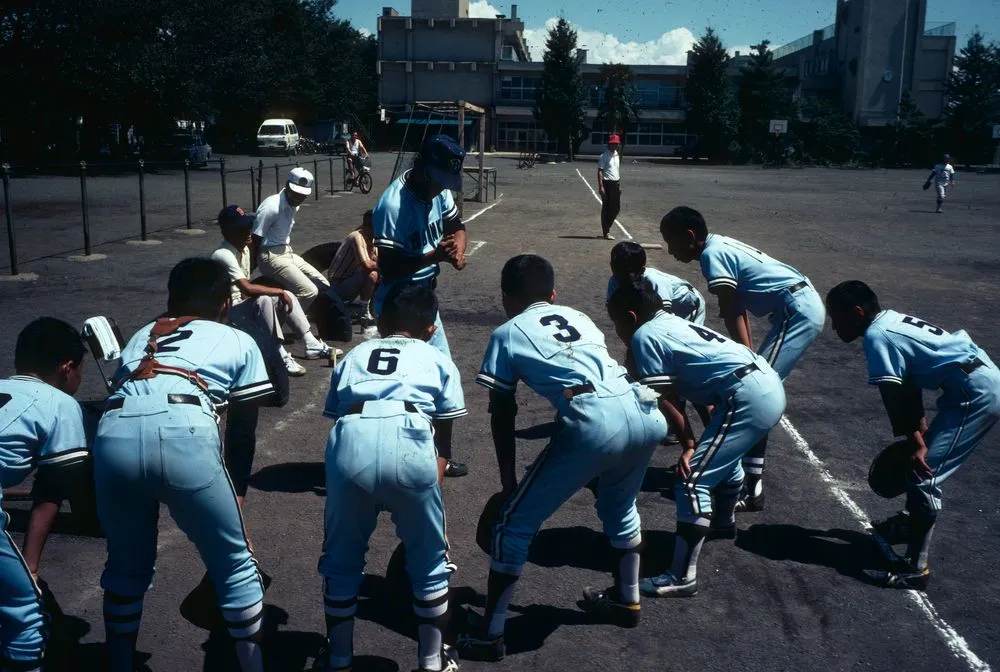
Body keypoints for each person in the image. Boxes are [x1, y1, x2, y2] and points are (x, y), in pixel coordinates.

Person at [456, 255, 667, 662]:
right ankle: (627, 599)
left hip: (595, 419)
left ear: (506, 297)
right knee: (621, 509)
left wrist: (508, 483)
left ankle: (490, 634)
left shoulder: (507, 332)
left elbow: (503, 412)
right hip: (644, 408)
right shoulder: (577, 315)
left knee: (513, 524)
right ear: (553, 295)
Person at [93, 258, 275, 672]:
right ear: (225, 304)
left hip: (114, 432)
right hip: (184, 431)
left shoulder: (142, 335)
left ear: (170, 299)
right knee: (234, 567)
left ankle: (120, 663)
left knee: (125, 566)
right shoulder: (236, 337)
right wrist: (238, 495)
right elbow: (242, 433)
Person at [316, 283, 466, 672]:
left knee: (342, 559)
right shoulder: (436, 356)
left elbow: (336, 412)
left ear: (381, 322)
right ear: (431, 328)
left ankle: (338, 659)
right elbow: (444, 435)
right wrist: (431, 493)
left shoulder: (355, 353)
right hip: (413, 434)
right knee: (430, 561)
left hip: (352, 435)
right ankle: (432, 661)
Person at [607, 282, 785, 597]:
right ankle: (724, 522)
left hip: (748, 397)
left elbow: (666, 398)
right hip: (763, 383)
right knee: (720, 460)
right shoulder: (670, 321)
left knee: (692, 480)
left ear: (631, 316)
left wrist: (689, 445)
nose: (617, 328)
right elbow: (697, 379)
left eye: (616, 321)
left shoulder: (644, 336)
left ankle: (681, 577)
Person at [826, 281, 1000, 589]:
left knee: (923, 474)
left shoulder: (877, 337)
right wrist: (919, 434)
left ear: (856, 312)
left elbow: (894, 395)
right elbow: (908, 385)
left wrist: (914, 443)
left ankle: (915, 569)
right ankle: (909, 523)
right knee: (921, 458)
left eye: (836, 318)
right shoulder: (889, 320)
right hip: (973, 381)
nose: (834, 326)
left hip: (976, 395)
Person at [659, 206, 825, 512]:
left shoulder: (712, 255)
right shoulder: (718, 244)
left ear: (690, 236)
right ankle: (749, 481)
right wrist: (746, 353)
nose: (670, 252)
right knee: (755, 385)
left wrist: (746, 358)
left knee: (756, 390)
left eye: (672, 242)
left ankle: (748, 486)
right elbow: (736, 306)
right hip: (798, 304)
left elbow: (733, 309)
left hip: (797, 310)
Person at [372, 134, 470, 478]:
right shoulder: (393, 205)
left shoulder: (439, 191)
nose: (441, 188)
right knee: (398, 383)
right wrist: (433, 255)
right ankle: (386, 456)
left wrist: (457, 249)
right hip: (397, 303)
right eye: (439, 179)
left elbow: (457, 226)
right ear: (422, 167)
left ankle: (438, 456)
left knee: (443, 377)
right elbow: (389, 267)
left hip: (424, 299)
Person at [1, 318, 89, 672]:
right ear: (67, 368)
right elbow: (52, 492)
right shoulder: (59, 403)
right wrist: (31, 566)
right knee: (27, 616)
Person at [212, 204, 338, 374]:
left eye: (249, 226)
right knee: (266, 298)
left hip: (241, 309)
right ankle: (278, 353)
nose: (249, 231)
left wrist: (280, 295)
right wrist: (277, 292)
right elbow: (247, 289)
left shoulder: (245, 250)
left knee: (287, 295)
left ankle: (311, 344)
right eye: (242, 228)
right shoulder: (223, 254)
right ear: (227, 231)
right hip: (227, 318)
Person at [607, 240, 710, 432]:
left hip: (687, 309)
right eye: (617, 270)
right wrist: (636, 350)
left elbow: (663, 326)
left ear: (641, 270)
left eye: (628, 272)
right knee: (647, 362)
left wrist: (643, 352)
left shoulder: (654, 282)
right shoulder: (615, 282)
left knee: (681, 369)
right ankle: (670, 422)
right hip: (655, 318)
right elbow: (620, 317)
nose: (621, 276)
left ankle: (693, 423)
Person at [253, 167, 331, 310]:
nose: (298, 198)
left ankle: (303, 312)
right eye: (295, 194)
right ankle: (280, 319)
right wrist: (250, 266)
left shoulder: (293, 204)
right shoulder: (272, 206)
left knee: (322, 283)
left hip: (286, 252)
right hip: (270, 255)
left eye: (302, 195)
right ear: (287, 185)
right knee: (309, 292)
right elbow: (256, 237)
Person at [327, 209, 379, 321]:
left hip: (351, 282)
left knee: (380, 271)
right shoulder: (357, 236)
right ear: (369, 226)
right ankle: (364, 312)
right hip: (338, 286)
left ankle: (374, 307)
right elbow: (367, 265)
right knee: (372, 274)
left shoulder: (373, 238)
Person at [597, 134, 622, 240]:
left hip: (615, 184)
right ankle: (606, 232)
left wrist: (619, 184)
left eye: (617, 144)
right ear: (609, 144)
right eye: (614, 144)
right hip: (607, 184)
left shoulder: (616, 154)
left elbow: (616, 170)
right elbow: (600, 171)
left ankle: (607, 225)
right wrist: (601, 187)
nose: (615, 146)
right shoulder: (604, 155)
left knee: (616, 208)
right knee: (607, 208)